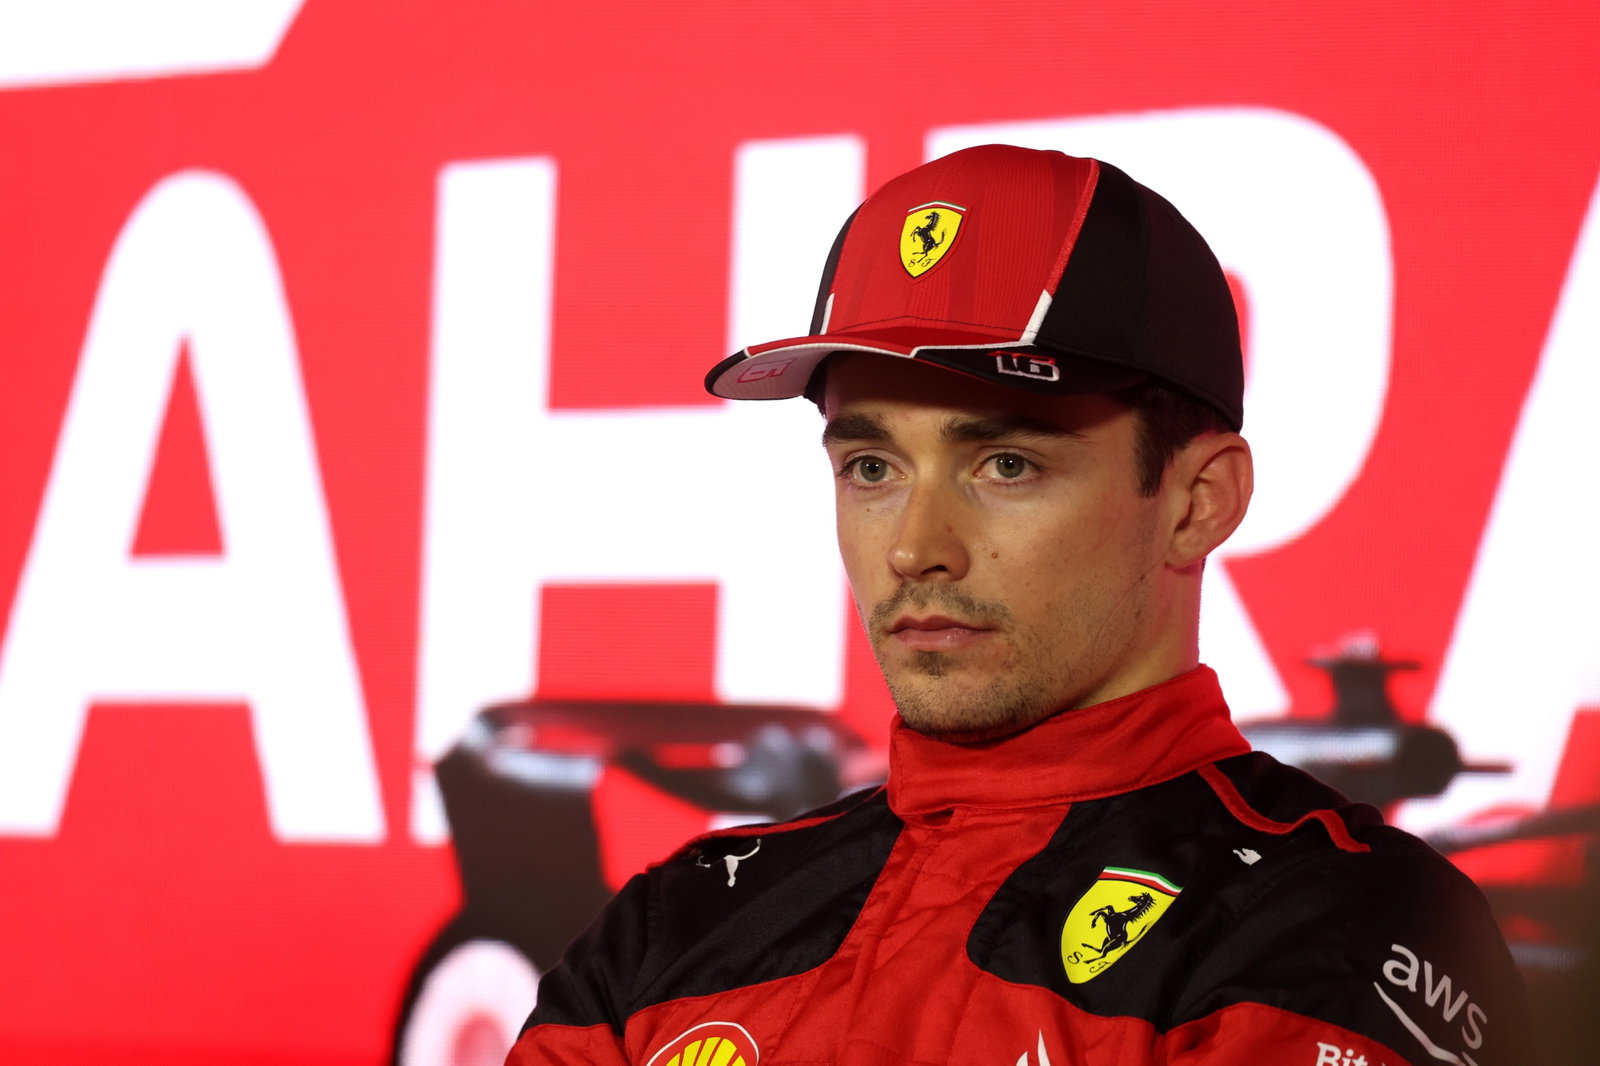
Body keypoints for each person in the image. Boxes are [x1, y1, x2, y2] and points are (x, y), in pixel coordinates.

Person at [504, 145, 1531, 1065]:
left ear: (1195, 502)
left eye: (1003, 462)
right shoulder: (674, 923)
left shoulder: (1334, 920)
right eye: (870, 464)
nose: (914, 547)